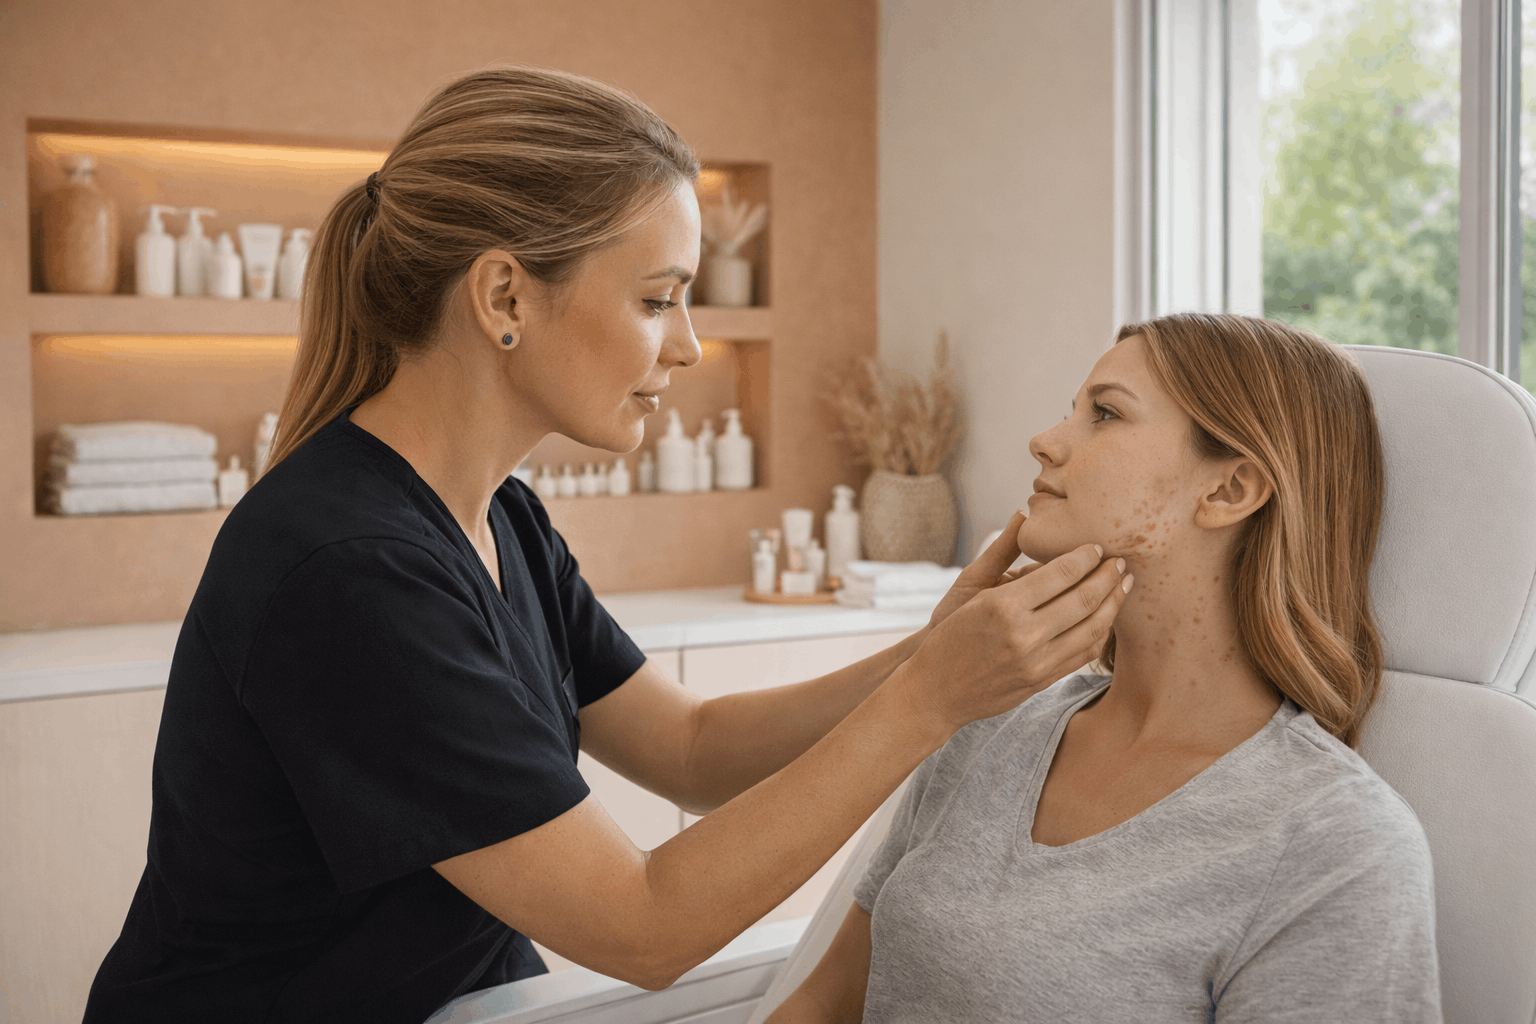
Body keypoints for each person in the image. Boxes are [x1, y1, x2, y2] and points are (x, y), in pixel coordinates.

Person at [82, 66, 1132, 1024]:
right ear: (503, 297)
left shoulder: (498, 515)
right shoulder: (348, 570)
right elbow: (641, 926)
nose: (686, 345)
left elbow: (692, 747)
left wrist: (924, 652)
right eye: (657, 298)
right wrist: (932, 698)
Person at [766, 313, 1442, 1023]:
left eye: (1105, 414)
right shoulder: (991, 719)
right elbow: (826, 1003)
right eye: (1072, 411)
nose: (1045, 441)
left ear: (1229, 491)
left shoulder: (1338, 847)